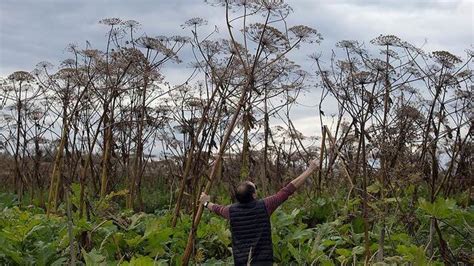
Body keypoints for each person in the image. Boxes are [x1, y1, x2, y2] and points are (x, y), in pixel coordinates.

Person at [199, 159, 319, 265]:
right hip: (264, 261)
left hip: (242, 262)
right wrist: (310, 169)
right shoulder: (265, 205)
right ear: (254, 195)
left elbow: (216, 208)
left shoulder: (231, 211)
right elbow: (288, 190)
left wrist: (205, 203)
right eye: (255, 187)